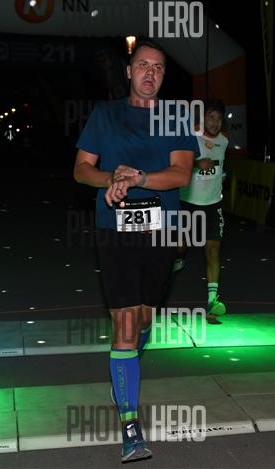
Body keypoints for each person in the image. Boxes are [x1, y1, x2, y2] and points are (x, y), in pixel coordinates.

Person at [73, 39, 198, 462]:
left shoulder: (175, 118)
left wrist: (139, 177)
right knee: (125, 326)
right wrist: (111, 178)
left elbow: (181, 173)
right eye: (143, 65)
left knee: (145, 319)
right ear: (128, 71)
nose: (150, 73)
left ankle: (125, 367)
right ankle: (131, 427)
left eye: (158, 68)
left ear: (164, 76)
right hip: (115, 231)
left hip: (160, 231)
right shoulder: (105, 115)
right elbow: (81, 169)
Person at [174, 99, 228, 322]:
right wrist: (197, 164)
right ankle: (178, 258)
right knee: (179, 247)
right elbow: (176, 163)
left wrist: (221, 175)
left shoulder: (224, 141)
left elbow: (221, 166)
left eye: (219, 118)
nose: (215, 122)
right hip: (187, 202)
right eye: (211, 117)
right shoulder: (191, 136)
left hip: (213, 204)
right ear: (203, 118)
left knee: (213, 249)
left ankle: (212, 301)